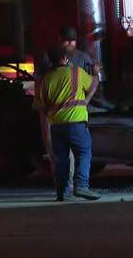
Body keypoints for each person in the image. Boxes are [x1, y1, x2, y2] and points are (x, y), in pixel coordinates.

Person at [34, 46, 101, 201]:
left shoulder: (46, 79)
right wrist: (96, 72)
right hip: (76, 122)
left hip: (56, 126)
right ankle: (81, 186)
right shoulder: (76, 73)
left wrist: (54, 116)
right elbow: (93, 84)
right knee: (84, 152)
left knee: (61, 158)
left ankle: (62, 192)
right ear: (65, 59)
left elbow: (40, 106)